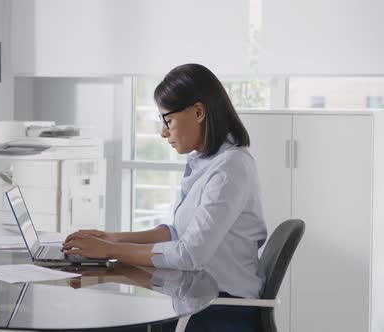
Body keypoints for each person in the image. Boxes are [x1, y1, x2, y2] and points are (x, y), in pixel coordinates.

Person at [63, 63, 268, 301]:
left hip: (223, 307)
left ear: (199, 112)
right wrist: (113, 238)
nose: (163, 132)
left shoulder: (230, 169)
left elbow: (189, 254)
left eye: (167, 120)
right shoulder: (205, 161)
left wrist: (110, 251)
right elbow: (177, 233)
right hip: (199, 297)